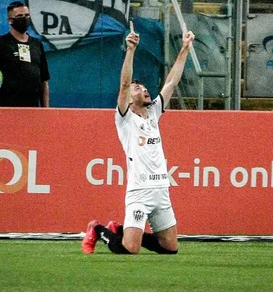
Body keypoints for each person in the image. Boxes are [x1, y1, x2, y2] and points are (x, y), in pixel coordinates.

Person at [81, 20, 195, 255]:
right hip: (140, 191)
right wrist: (131, 50)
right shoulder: (124, 118)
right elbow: (124, 84)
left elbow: (172, 82)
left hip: (161, 189)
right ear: (129, 98)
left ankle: (120, 229)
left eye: (143, 87)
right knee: (131, 249)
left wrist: (184, 48)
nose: (142, 89)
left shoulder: (153, 111)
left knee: (170, 248)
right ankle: (99, 229)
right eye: (137, 88)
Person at [0, 1, 50, 108]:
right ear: (10, 21)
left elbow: (44, 81)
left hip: (33, 112)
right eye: (19, 16)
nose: (24, 19)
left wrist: (46, 110)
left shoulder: (37, 44)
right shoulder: (0, 44)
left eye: (27, 15)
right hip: (7, 111)